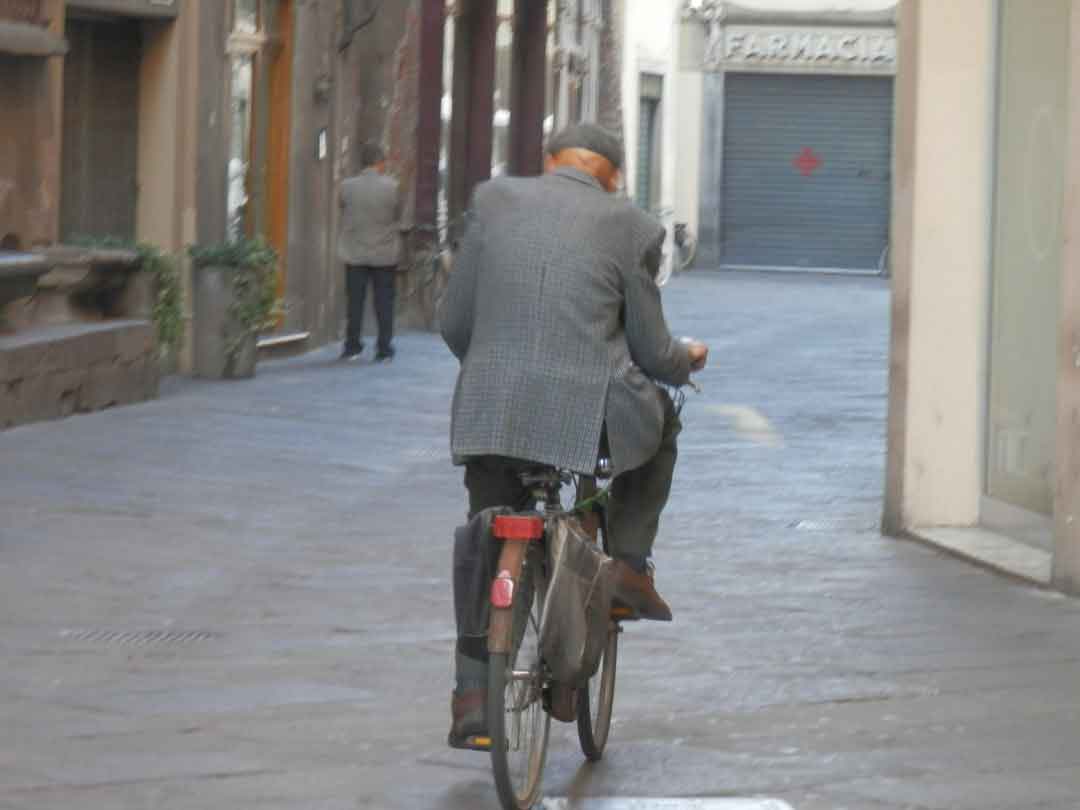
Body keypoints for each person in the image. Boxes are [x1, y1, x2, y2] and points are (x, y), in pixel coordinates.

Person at [439, 123, 709, 748]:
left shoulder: (492, 201)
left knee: (487, 527)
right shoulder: (632, 226)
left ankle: (473, 698)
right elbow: (649, 346)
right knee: (661, 428)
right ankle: (630, 567)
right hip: (587, 412)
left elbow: (454, 323)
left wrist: (495, 369)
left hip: (491, 405)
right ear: (612, 175)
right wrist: (686, 358)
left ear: (549, 162)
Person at [337, 142, 404, 362]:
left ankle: (352, 346)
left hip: (354, 251)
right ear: (380, 162)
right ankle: (384, 348)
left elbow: (343, 207)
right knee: (384, 302)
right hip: (383, 253)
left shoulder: (346, 186)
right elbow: (397, 214)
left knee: (354, 301)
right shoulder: (392, 187)